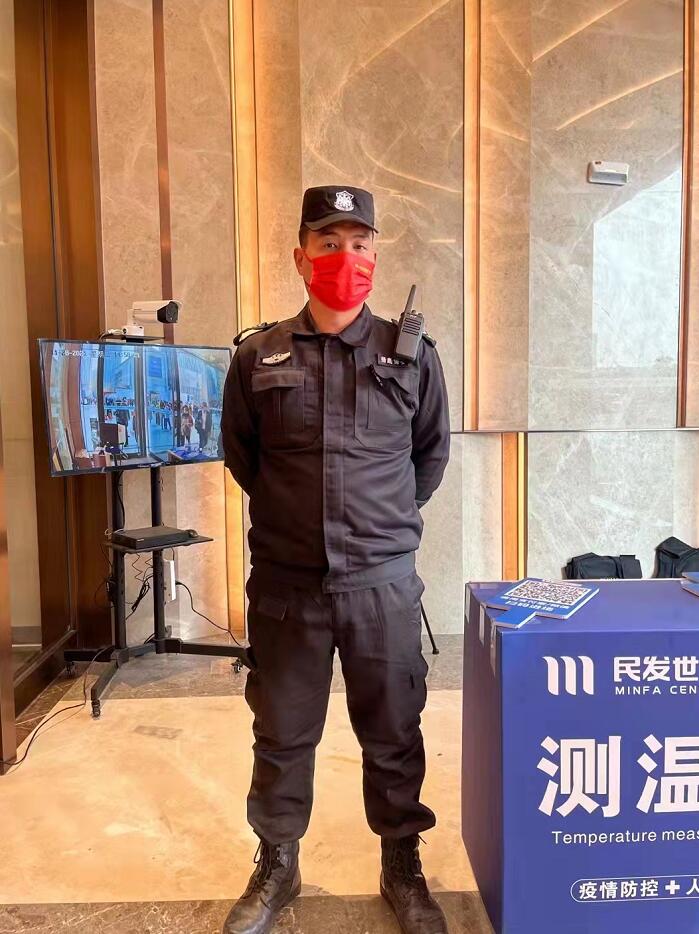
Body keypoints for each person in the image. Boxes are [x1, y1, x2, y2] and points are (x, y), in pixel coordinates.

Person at [221, 185, 450, 934]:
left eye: (358, 244)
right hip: (287, 587)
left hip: (381, 586)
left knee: (394, 732)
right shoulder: (257, 356)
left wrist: (376, 529)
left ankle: (401, 865)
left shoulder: (410, 355)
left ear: (375, 256)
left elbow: (428, 458)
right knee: (282, 733)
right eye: (328, 244)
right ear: (301, 257)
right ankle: (277, 863)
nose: (344, 257)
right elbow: (245, 459)